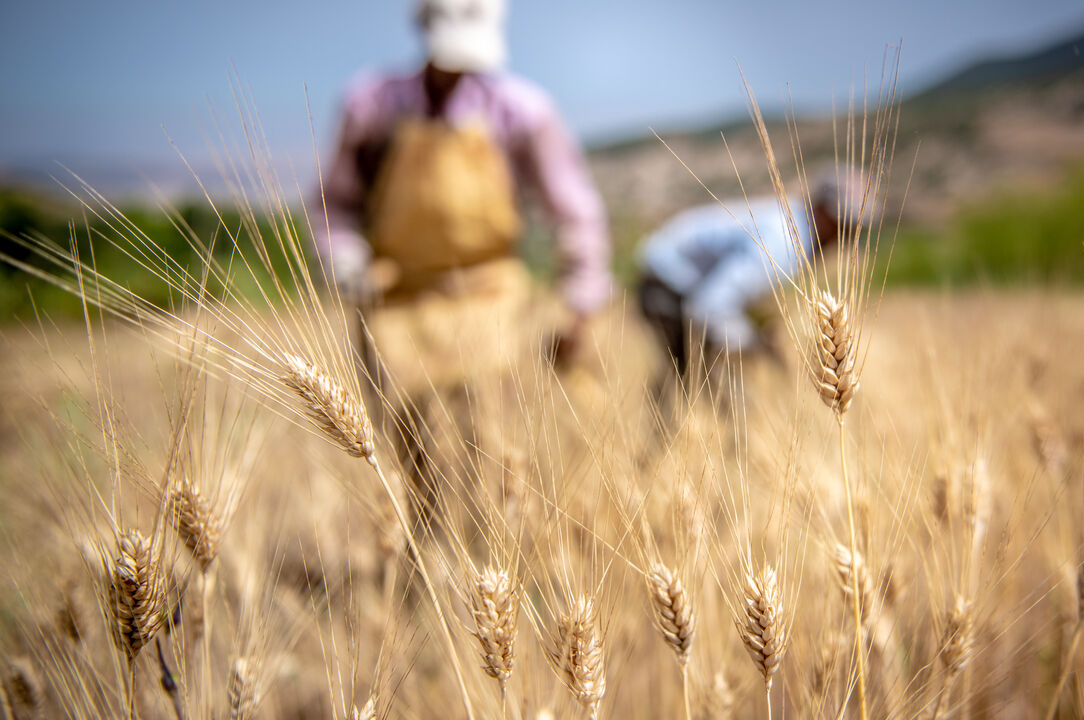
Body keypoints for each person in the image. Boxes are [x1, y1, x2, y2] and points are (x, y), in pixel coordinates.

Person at [311, 0, 611, 520]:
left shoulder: (523, 111)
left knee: (487, 450)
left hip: (488, 299)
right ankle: (428, 570)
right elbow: (333, 203)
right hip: (394, 304)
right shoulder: (371, 105)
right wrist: (344, 257)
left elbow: (576, 211)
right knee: (414, 459)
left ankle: (488, 561)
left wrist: (580, 302)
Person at [636, 171, 869, 387]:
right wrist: (754, 343)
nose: (846, 236)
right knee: (716, 391)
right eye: (844, 224)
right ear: (821, 211)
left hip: (674, 277)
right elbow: (708, 305)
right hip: (666, 283)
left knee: (695, 380)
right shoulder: (782, 245)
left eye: (854, 227)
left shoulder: (792, 225)